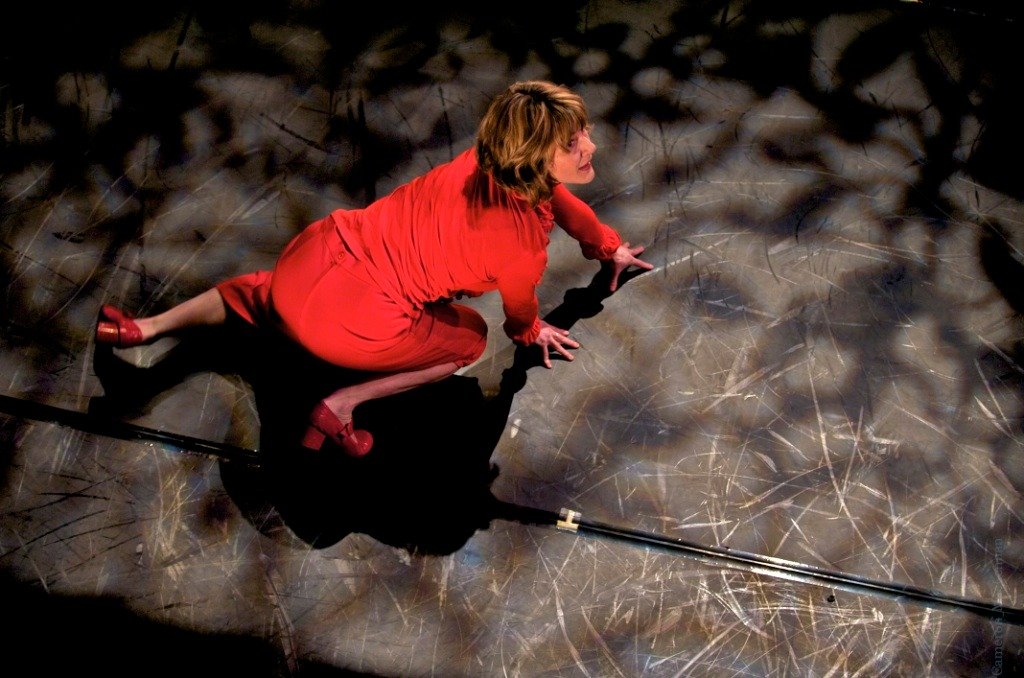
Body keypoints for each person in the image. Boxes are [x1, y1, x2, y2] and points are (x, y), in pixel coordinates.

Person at [95, 80, 653, 457]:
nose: (591, 146)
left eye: (581, 133)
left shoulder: (482, 163)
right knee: (470, 341)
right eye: (573, 141)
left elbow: (555, 199)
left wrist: (606, 246)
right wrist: (533, 332)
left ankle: (145, 329)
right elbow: (519, 316)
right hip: (353, 321)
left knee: (255, 294)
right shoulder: (517, 246)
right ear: (531, 157)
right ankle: (341, 405)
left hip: (313, 260)